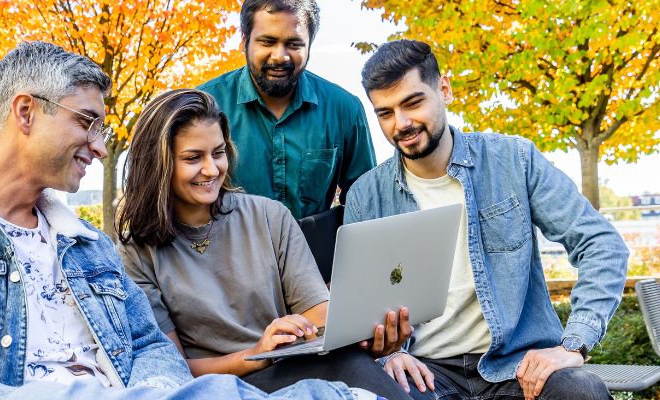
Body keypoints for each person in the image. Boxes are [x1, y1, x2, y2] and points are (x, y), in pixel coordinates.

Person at [0, 41, 358, 400]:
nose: (99, 146)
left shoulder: (87, 243)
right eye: (86, 122)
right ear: (25, 113)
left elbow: (149, 346)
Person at [345, 40, 630, 400]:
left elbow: (602, 244)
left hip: (517, 364)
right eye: (385, 113)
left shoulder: (514, 160)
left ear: (444, 89)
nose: (401, 124)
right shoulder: (366, 196)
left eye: (413, 103)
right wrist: (389, 355)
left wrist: (573, 344)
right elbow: (364, 308)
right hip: (425, 371)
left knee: (580, 392)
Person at [116, 88, 415, 400]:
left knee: (355, 363)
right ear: (158, 164)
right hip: (218, 388)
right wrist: (257, 353)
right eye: (193, 158)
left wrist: (370, 335)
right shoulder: (136, 252)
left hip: (293, 366)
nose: (211, 169)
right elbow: (169, 368)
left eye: (218, 153)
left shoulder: (269, 216)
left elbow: (318, 313)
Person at [197, 0, 375, 220]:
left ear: (310, 44)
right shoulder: (203, 105)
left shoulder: (344, 109)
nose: (280, 56)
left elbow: (366, 204)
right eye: (267, 42)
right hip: (226, 251)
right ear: (244, 41)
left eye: (294, 44)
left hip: (314, 252)